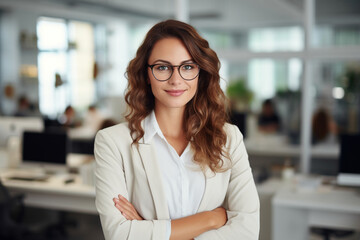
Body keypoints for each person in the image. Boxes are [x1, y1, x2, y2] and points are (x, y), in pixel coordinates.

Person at [94, 19, 259, 240]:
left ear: (200, 73)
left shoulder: (229, 138)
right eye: (162, 67)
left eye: (188, 67)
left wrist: (148, 229)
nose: (176, 79)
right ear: (146, 74)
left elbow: (247, 230)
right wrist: (211, 219)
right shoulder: (113, 142)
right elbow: (120, 234)